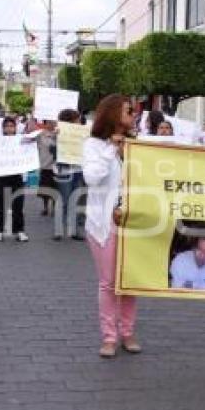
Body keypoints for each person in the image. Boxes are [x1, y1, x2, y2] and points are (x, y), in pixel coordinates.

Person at [82, 94, 140, 359]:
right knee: (108, 282)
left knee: (129, 281)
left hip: (133, 222)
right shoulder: (93, 145)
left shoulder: (137, 145)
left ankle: (127, 332)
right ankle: (109, 336)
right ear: (114, 113)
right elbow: (92, 177)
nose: (133, 115)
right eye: (129, 110)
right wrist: (110, 149)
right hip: (103, 222)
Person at [0, 116, 29, 242]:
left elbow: (30, 147)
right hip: (2, 176)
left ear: (15, 128)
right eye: (6, 126)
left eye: (11, 126)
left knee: (18, 205)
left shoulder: (20, 140)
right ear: (3, 128)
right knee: (2, 205)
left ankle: (19, 231)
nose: (9, 128)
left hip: (17, 176)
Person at [54, 108, 85, 240]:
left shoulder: (82, 133)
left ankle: (75, 230)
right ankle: (58, 229)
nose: (79, 122)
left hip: (78, 170)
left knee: (76, 201)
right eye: (77, 119)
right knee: (63, 200)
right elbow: (52, 150)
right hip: (64, 171)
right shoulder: (58, 133)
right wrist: (56, 137)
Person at [36, 120, 58, 216]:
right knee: (44, 189)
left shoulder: (60, 134)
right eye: (49, 122)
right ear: (45, 124)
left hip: (57, 167)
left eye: (53, 122)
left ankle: (53, 208)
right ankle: (45, 208)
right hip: (45, 165)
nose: (52, 124)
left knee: (55, 188)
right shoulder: (40, 135)